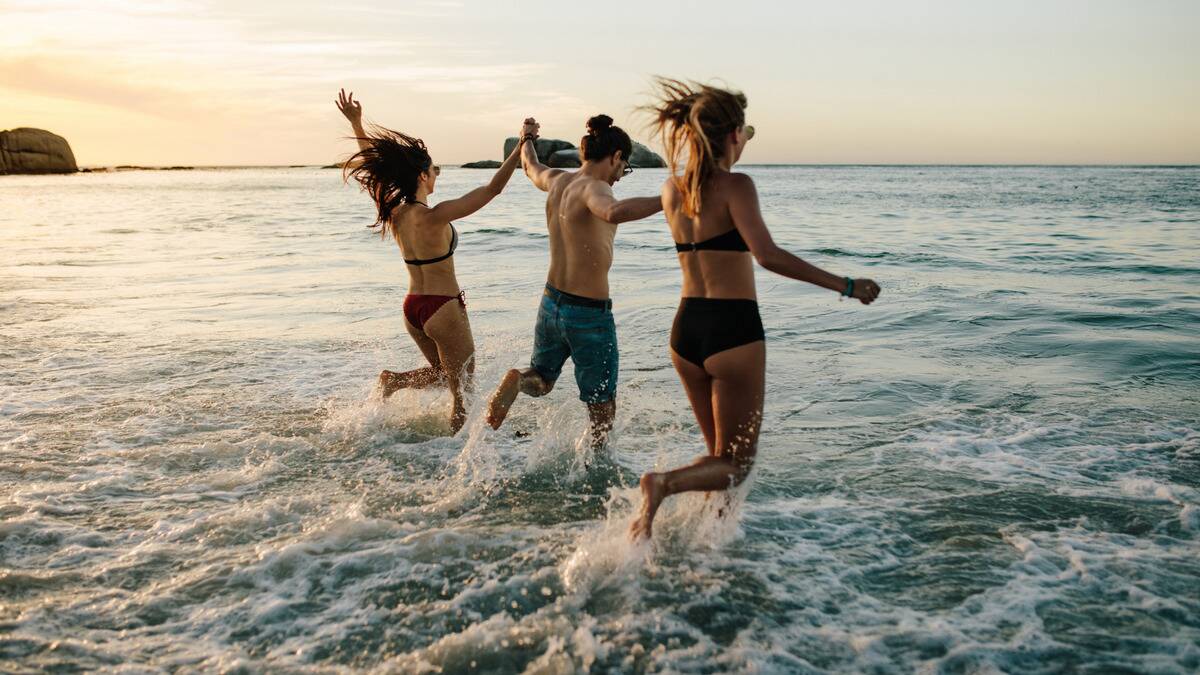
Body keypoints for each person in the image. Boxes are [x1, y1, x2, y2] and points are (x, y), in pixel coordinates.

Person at [629, 79, 881, 539]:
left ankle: (713, 545)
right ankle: (661, 483)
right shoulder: (736, 186)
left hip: (685, 333)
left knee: (717, 458)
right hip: (732, 330)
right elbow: (766, 255)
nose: (745, 142)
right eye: (745, 133)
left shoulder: (672, 190)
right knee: (737, 465)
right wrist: (845, 284)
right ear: (732, 136)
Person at [336, 88, 532, 433]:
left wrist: (356, 123)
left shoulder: (393, 213)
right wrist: (520, 146)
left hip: (413, 308)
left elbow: (373, 169)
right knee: (463, 395)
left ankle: (394, 382)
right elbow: (492, 190)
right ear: (423, 177)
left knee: (443, 375)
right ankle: (453, 459)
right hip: (443, 308)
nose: (437, 173)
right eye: (434, 170)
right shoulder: (435, 216)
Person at [486, 115, 663, 448]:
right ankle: (596, 466)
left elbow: (530, 166)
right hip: (588, 314)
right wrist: (669, 199)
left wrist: (527, 138)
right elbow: (613, 212)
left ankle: (517, 380)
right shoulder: (597, 188)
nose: (620, 176)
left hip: (551, 303)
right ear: (615, 157)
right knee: (601, 404)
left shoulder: (557, 180)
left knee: (541, 379)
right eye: (624, 168)